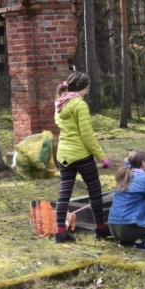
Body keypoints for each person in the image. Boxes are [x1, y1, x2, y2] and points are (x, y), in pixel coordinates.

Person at [53, 71, 112, 242]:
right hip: (80, 155)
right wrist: (101, 157)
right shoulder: (79, 105)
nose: (87, 92)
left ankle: (60, 232)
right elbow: (87, 135)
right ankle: (100, 228)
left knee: (64, 192)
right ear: (80, 88)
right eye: (87, 88)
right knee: (95, 191)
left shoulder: (59, 103)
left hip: (64, 155)